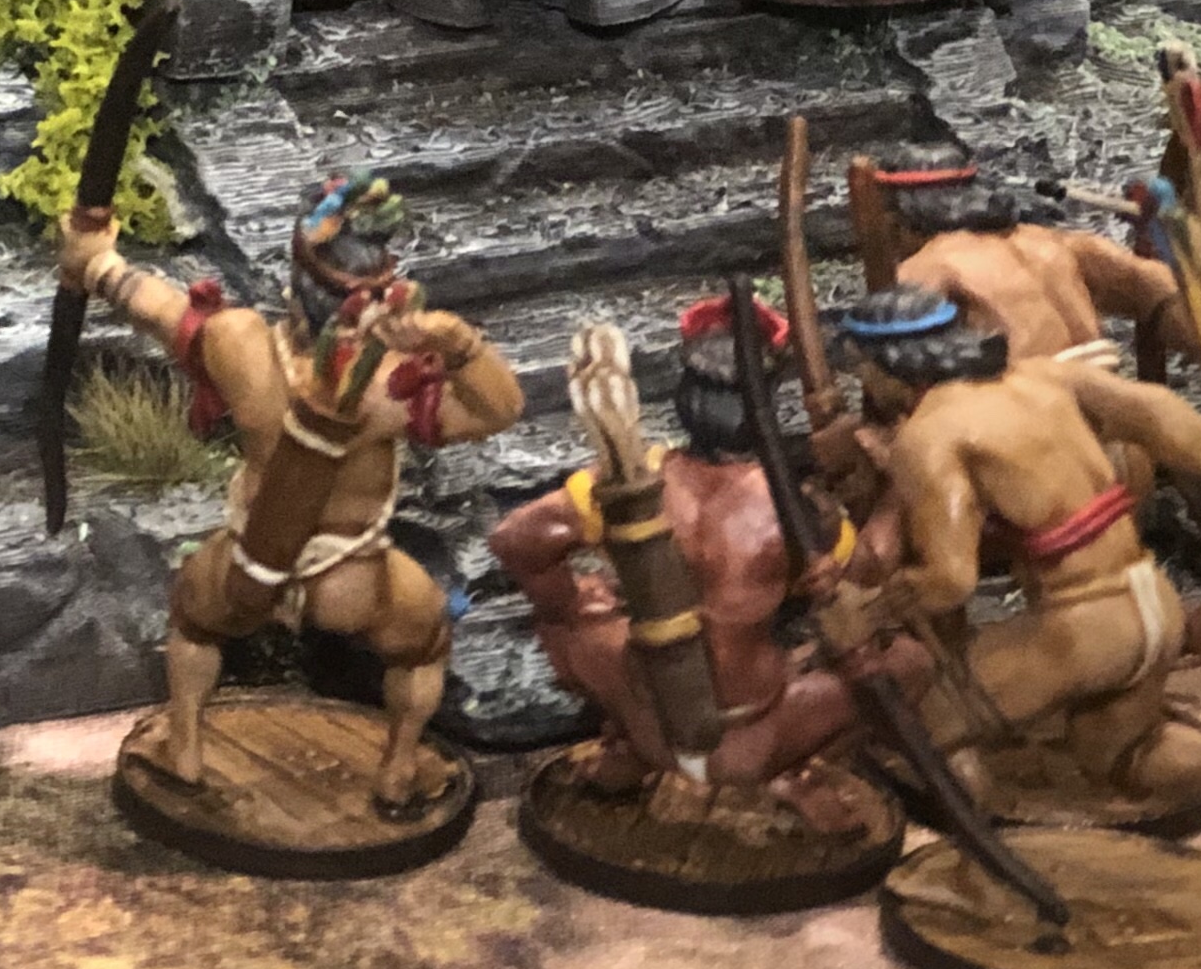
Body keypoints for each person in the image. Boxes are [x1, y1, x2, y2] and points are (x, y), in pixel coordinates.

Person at [57, 175, 521, 811]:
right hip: (351, 578)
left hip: (250, 565)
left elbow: (156, 306)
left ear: (294, 285)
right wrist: (458, 344)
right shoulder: (392, 384)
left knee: (194, 620)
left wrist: (95, 263)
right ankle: (398, 767)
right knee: (424, 644)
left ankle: (184, 747)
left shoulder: (239, 342)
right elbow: (500, 409)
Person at [831, 278, 1201, 850]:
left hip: (1083, 628)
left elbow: (950, 581)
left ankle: (983, 855)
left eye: (863, 369)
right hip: (1153, 600)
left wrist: (874, 606)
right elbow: (1153, 409)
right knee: (1123, 759)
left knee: (923, 723)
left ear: (890, 366)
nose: (863, 383)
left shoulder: (931, 435)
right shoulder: (1042, 375)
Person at [489, 300, 904, 834]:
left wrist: (566, 604)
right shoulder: (791, 513)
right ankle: (795, 772)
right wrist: (896, 490)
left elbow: (515, 541)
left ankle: (628, 752)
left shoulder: (620, 485)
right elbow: (870, 569)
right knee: (910, 662)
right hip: (749, 743)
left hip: (648, 719)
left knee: (571, 624)